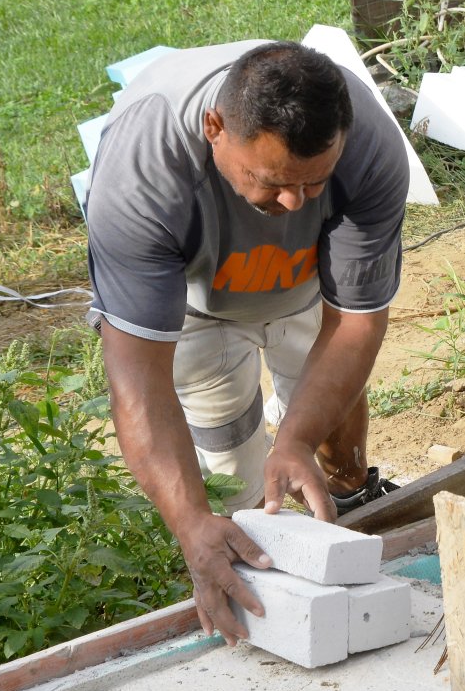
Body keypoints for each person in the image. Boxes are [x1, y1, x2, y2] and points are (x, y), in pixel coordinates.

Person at [84, 40, 409, 643]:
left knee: (332, 435)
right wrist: (191, 524)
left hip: (308, 290)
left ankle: (350, 500)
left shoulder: (368, 146)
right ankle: (269, 589)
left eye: (314, 183)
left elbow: (356, 322)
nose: (292, 204)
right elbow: (138, 379)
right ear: (215, 128)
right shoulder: (142, 170)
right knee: (237, 475)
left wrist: (297, 439)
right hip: (196, 308)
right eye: (272, 181)